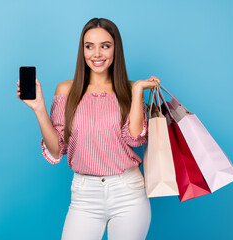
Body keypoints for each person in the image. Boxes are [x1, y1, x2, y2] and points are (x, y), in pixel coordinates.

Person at [17, 18, 160, 240]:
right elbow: (56, 151)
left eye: (105, 45)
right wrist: (39, 108)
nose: (97, 54)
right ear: (82, 50)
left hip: (128, 193)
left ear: (116, 49)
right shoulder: (67, 90)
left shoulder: (130, 90)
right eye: (89, 46)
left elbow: (135, 139)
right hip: (84, 194)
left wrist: (139, 89)